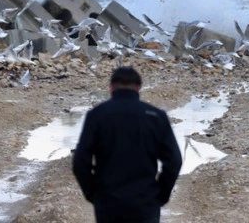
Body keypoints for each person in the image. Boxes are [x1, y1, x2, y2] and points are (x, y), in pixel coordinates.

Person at [72, 67, 183, 223]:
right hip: (145, 202)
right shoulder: (156, 116)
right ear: (139, 88)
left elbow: (80, 162)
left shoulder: (97, 115)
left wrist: (93, 194)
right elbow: (174, 161)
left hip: (108, 203)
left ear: (111, 88)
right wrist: (159, 196)